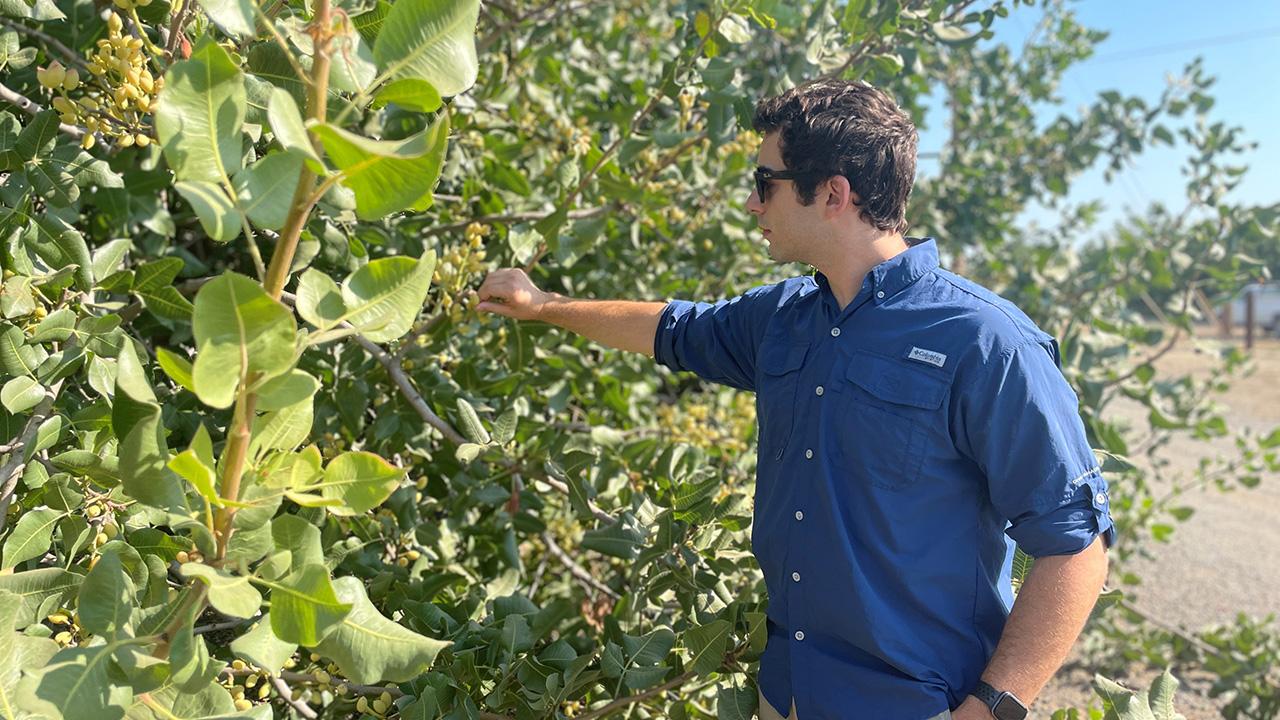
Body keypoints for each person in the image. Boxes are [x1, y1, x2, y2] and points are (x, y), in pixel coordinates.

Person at [476, 78, 1114, 720]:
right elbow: (668, 327)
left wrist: (990, 710)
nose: (753, 204)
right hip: (786, 694)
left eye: (765, 181)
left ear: (833, 193)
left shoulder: (986, 342)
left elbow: (1076, 545)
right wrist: (546, 308)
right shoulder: (783, 318)